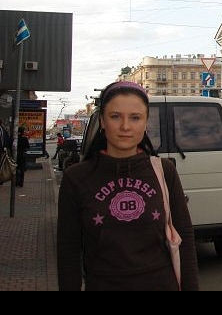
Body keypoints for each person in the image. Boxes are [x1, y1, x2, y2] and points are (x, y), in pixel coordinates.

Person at [57, 80, 199, 291]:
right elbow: (68, 251)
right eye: (115, 116)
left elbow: (184, 237)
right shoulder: (76, 177)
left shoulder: (164, 171)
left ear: (146, 122)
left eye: (135, 117)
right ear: (102, 121)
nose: (125, 126)